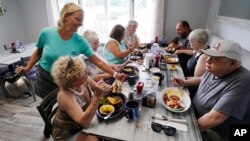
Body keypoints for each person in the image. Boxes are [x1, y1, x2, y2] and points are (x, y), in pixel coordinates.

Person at [17, 3, 124, 99]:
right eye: (78, 19)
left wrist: (115, 74)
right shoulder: (46, 33)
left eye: (82, 21)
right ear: (66, 16)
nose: (81, 23)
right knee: (48, 107)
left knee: (66, 107)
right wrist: (27, 68)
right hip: (45, 77)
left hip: (66, 80)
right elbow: (38, 52)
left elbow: (98, 61)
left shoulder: (80, 41)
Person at [172, 40, 250, 141]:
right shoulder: (216, 68)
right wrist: (184, 82)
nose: (208, 60)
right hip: (192, 113)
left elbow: (215, 118)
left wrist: (186, 129)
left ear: (232, 63)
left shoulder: (243, 82)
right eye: (209, 55)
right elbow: (202, 79)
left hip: (215, 130)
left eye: (215, 58)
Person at [51, 56, 112, 141]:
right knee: (95, 139)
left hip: (84, 123)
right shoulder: (64, 95)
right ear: (73, 79)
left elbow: (98, 89)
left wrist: (108, 87)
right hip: (68, 132)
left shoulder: (85, 79)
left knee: (108, 128)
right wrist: (97, 96)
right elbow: (84, 122)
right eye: (82, 72)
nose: (86, 71)